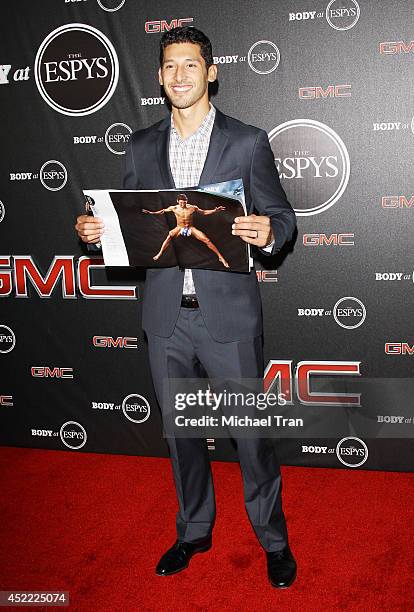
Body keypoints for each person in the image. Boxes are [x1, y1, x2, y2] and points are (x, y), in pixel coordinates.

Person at [75, 26, 297, 588]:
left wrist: (269, 230)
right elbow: (131, 223)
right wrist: (96, 231)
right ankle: (194, 531)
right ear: (158, 76)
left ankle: (273, 540)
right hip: (166, 319)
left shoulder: (248, 142)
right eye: (170, 66)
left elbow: (283, 218)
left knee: (250, 437)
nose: (180, 76)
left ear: (211, 72)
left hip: (229, 320)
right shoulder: (141, 146)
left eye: (191, 65)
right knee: (181, 435)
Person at [142, 193, 229, 267]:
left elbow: (204, 212)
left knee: (207, 240)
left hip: (190, 227)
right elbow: (162, 211)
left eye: (184, 203)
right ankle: (160, 253)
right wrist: (151, 212)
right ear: (177, 201)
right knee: (169, 237)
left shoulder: (192, 207)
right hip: (179, 228)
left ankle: (220, 257)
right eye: (181, 203)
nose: (183, 204)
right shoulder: (174, 208)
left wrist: (215, 210)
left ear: (187, 202)